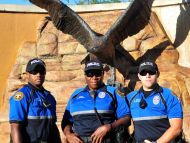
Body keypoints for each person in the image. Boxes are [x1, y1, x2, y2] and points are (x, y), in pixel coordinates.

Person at [61, 60, 131, 143]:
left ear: (103, 74)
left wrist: (109, 127)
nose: (94, 77)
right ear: (85, 76)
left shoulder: (113, 92)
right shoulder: (76, 94)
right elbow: (66, 121)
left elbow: (126, 118)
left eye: (97, 73)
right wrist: (68, 134)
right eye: (90, 74)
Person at [126, 60, 183, 143]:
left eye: (151, 72)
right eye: (143, 73)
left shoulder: (169, 95)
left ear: (157, 74)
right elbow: (122, 120)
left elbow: (176, 128)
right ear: (139, 76)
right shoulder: (130, 97)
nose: (147, 75)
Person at [9, 58, 61, 143]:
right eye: (34, 72)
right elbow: (15, 126)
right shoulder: (22, 96)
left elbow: (53, 128)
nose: (38, 74)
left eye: (41, 71)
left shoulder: (50, 97)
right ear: (27, 74)